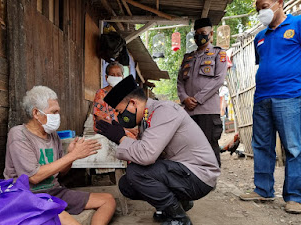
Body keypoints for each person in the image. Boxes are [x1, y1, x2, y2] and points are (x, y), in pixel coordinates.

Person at [96, 75, 220, 225]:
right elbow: (150, 152)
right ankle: (179, 203)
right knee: (126, 184)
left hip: (199, 176)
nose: (121, 117)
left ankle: (178, 218)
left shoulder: (164, 111)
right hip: (182, 172)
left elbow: (146, 155)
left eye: (120, 112)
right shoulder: (147, 117)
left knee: (136, 172)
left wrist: (121, 138)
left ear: (133, 103)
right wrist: (121, 138)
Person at [4, 86, 116, 225]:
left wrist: (71, 155)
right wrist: (72, 155)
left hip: (54, 191)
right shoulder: (18, 134)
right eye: (53, 112)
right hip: (28, 196)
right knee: (68, 220)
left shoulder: (53, 136)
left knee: (108, 200)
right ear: (36, 113)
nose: (57, 116)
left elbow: (62, 172)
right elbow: (33, 177)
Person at [239, 0, 301, 214]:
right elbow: (265, 63)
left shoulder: (298, 24)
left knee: (293, 148)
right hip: (261, 98)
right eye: (258, 9)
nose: (261, 11)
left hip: (290, 96)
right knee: (261, 145)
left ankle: (294, 197)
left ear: (279, 3)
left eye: (265, 5)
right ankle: (263, 189)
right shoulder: (260, 37)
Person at [177, 18, 227, 167]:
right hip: (189, 112)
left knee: (210, 144)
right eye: (196, 34)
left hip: (208, 111)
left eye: (203, 33)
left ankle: (211, 179)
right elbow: (180, 81)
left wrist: (197, 99)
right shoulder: (188, 57)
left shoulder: (219, 54)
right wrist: (185, 98)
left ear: (211, 34)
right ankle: (195, 178)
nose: (199, 36)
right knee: (190, 145)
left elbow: (218, 79)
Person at [93, 61, 138, 139]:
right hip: (107, 128)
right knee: (129, 139)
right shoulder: (101, 94)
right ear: (106, 77)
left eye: (118, 75)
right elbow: (100, 119)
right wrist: (126, 129)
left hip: (123, 129)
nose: (116, 77)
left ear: (122, 77)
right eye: (112, 75)